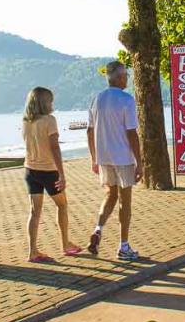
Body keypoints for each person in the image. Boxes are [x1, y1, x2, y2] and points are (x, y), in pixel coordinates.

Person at [86, 61, 143, 261]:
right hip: (123, 157)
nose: (127, 78)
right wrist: (140, 162)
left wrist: (94, 158)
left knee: (110, 195)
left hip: (104, 156)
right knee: (125, 201)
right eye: (126, 75)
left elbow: (89, 131)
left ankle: (98, 228)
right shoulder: (126, 100)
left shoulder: (96, 99)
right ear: (119, 77)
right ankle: (124, 246)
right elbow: (131, 133)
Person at [21, 87, 82, 263]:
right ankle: (65, 244)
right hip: (48, 171)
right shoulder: (50, 120)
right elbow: (55, 147)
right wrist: (61, 174)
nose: (52, 104)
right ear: (44, 102)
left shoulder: (26, 121)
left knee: (34, 211)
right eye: (50, 100)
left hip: (30, 171)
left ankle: (32, 251)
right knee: (62, 205)